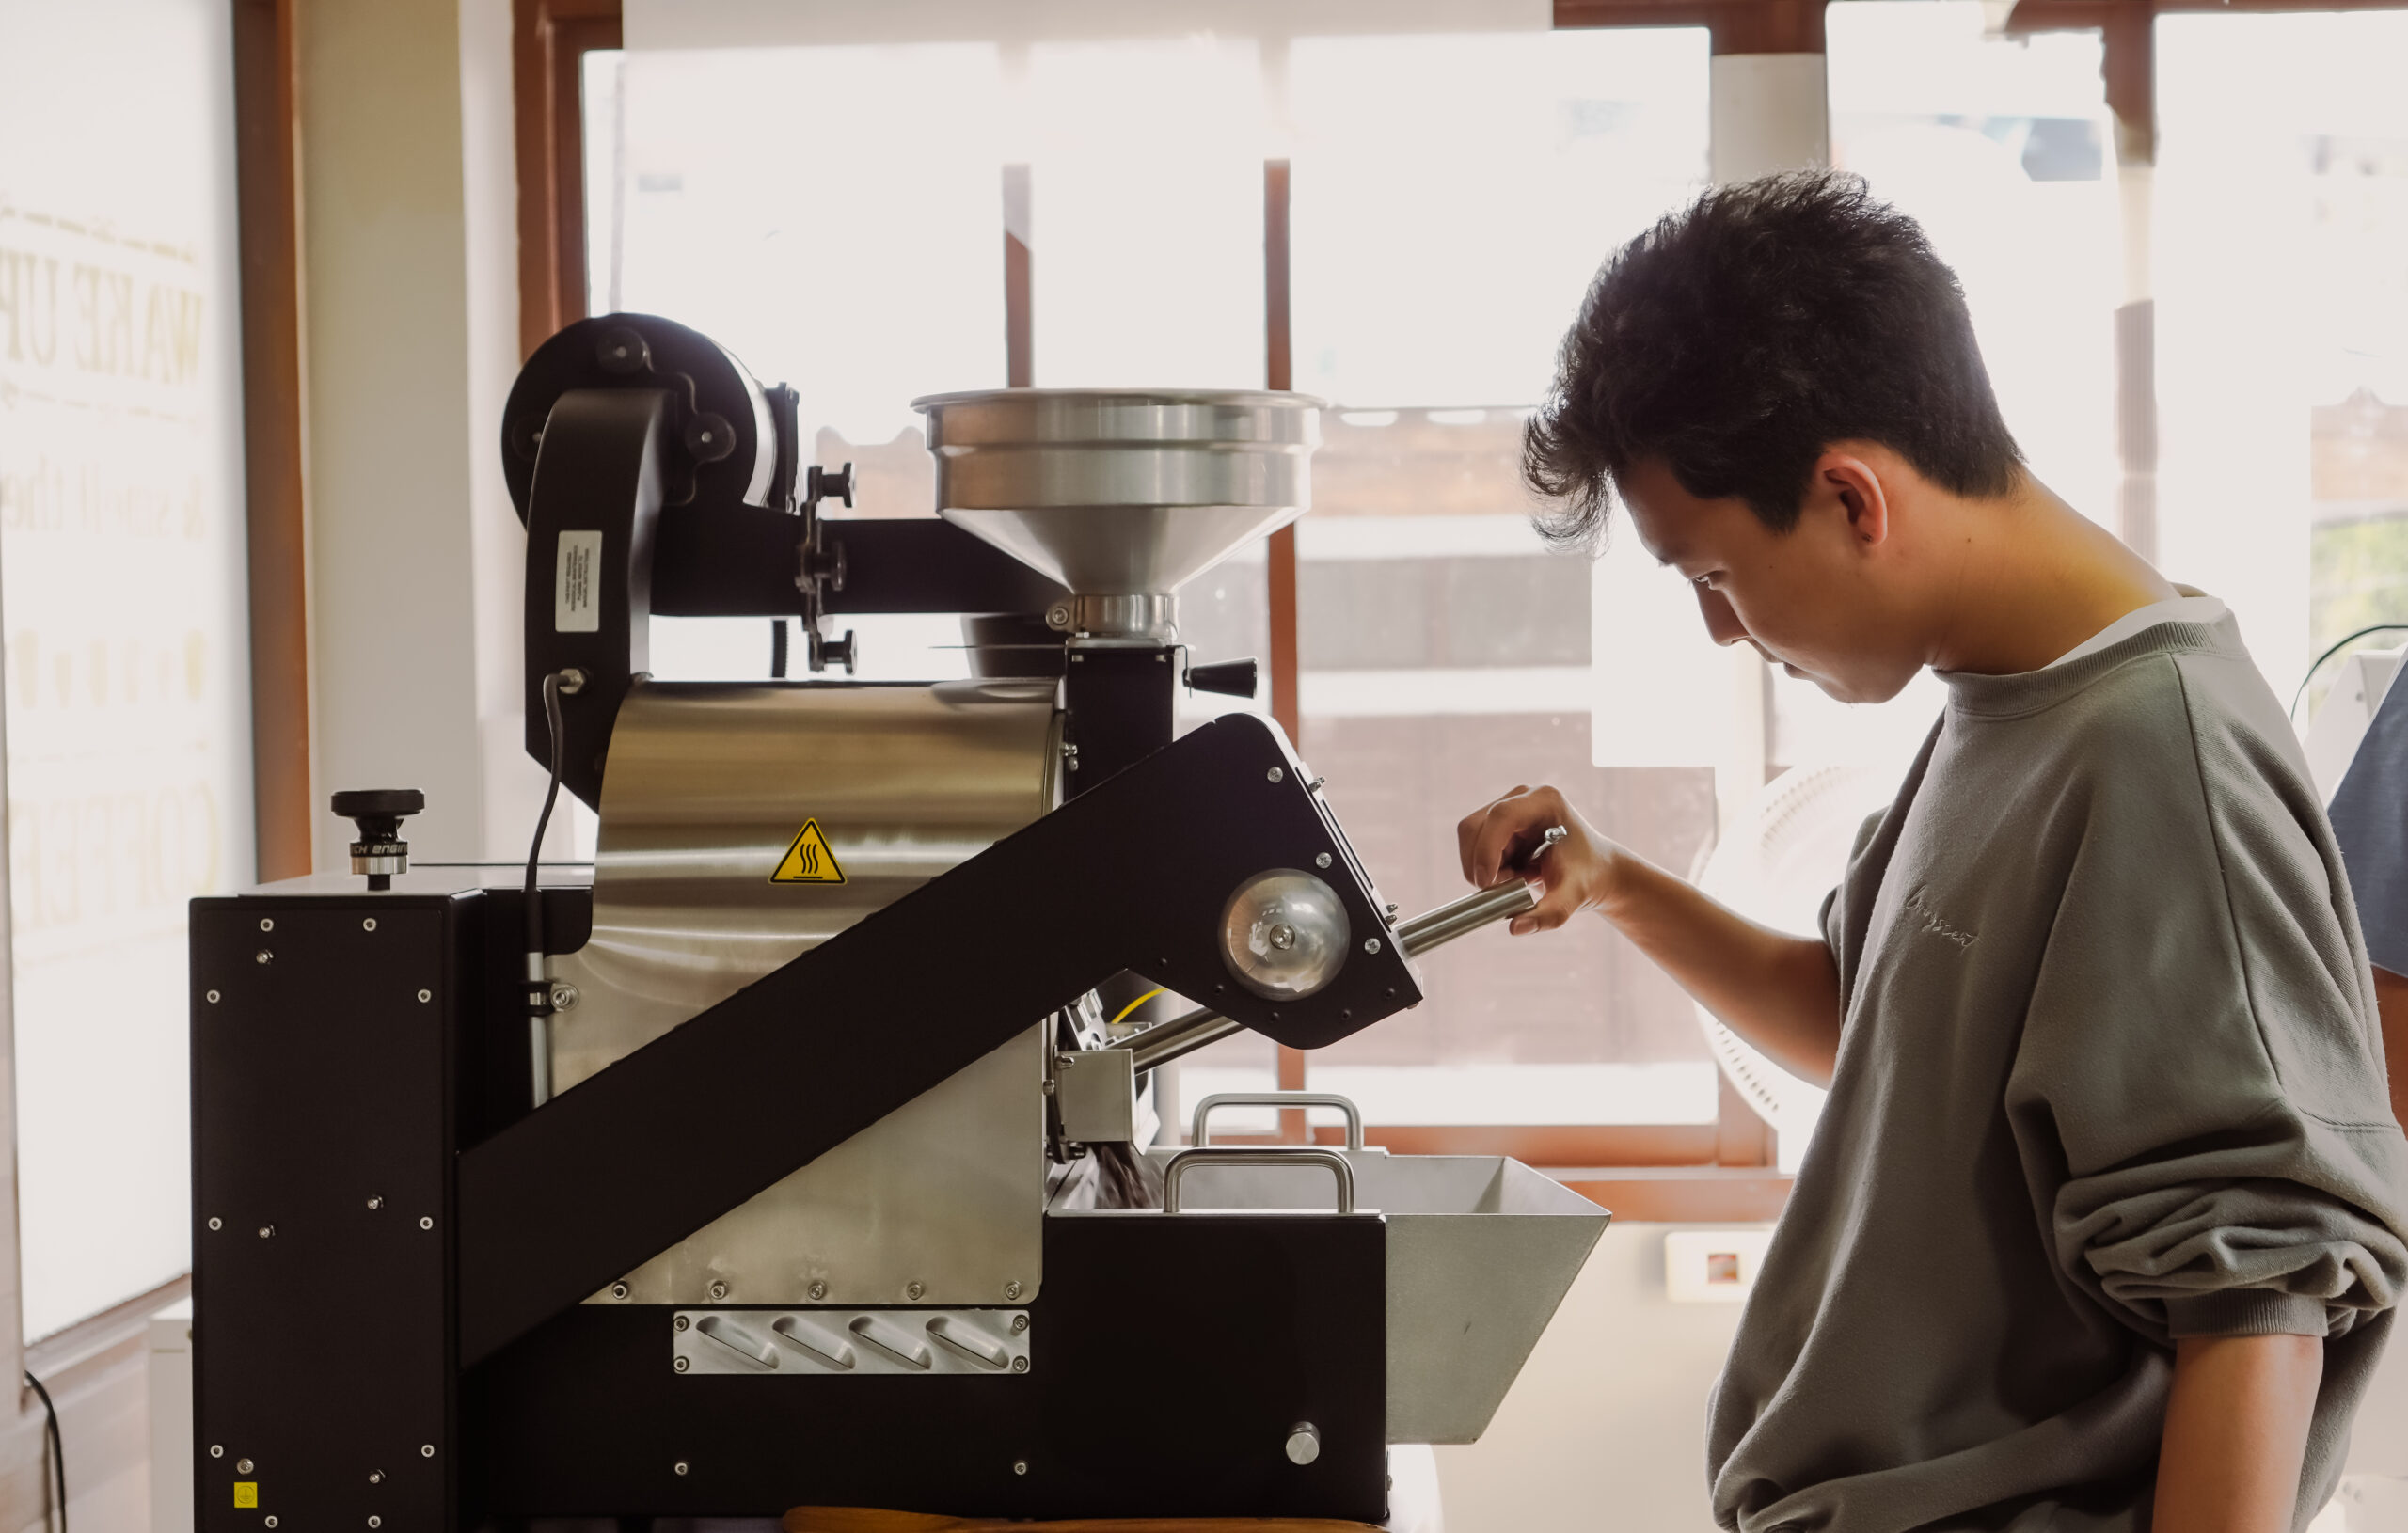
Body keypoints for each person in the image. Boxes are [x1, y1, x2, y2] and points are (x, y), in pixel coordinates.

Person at [1458, 171, 2408, 1533]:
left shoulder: (2160, 758)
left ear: (1853, 498)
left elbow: (2256, 1305)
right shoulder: (1999, 696)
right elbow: (1863, 1017)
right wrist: (1618, 882)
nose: (1725, 633)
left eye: (1714, 576)